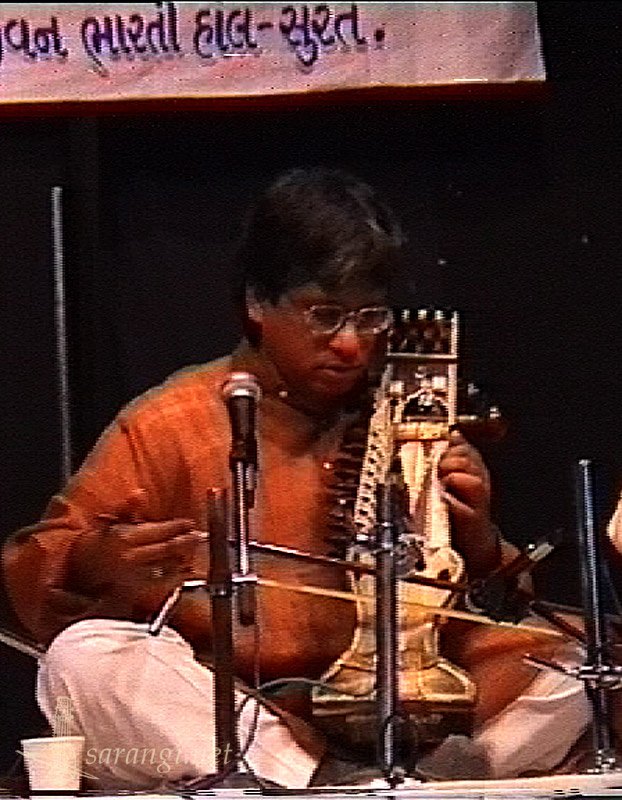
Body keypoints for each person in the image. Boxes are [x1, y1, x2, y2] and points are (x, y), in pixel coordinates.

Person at [2, 167, 589, 789]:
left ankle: (442, 777)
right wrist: (93, 561)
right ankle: (327, 785)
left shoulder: (412, 414)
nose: (351, 346)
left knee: (585, 659)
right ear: (258, 302)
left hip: (420, 702)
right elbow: (35, 566)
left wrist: (478, 536)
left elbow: (501, 607)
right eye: (324, 315)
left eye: (371, 318)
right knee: (88, 658)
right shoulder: (173, 422)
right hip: (252, 712)